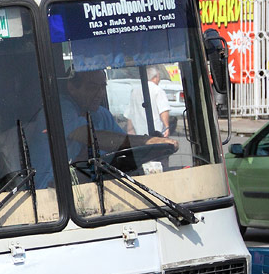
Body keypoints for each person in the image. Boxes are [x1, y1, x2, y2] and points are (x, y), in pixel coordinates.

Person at [27, 69, 177, 186]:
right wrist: (147, 141)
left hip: (92, 187)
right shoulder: (59, 108)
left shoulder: (100, 114)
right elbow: (96, 138)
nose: (100, 94)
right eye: (93, 87)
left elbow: (123, 145)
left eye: (102, 87)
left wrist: (154, 149)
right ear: (72, 87)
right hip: (50, 194)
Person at [126, 65, 172, 138]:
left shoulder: (135, 91)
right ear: (156, 77)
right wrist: (166, 127)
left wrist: (130, 129)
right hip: (156, 133)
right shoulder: (158, 90)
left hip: (139, 133)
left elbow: (130, 112)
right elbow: (163, 110)